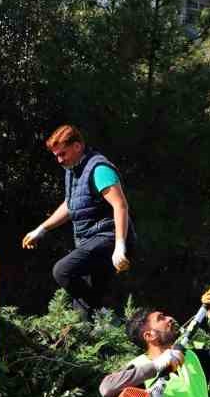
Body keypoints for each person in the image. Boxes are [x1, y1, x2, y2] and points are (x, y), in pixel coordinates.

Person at [22, 125, 135, 317]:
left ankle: (101, 314)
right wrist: (42, 229)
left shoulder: (99, 169)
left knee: (62, 271)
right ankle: (101, 319)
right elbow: (71, 204)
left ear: (77, 146)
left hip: (108, 239)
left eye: (62, 154)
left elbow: (120, 205)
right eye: (56, 155)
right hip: (89, 241)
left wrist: (119, 246)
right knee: (83, 311)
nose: (59, 160)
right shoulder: (73, 170)